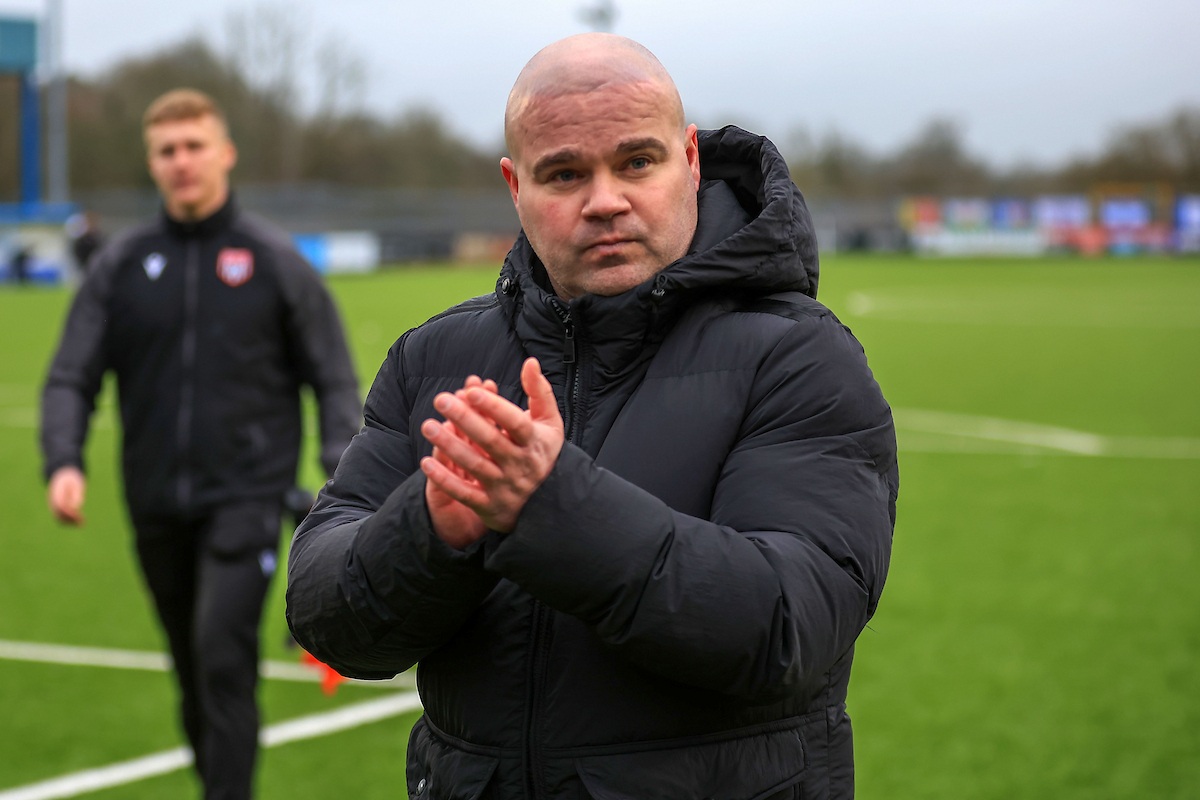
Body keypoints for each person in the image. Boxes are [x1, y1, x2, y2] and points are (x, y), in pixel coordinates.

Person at [287, 33, 898, 800]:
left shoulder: (801, 357)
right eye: (565, 173)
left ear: (690, 162)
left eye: (637, 162)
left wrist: (552, 509)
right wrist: (433, 528)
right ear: (515, 187)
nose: (604, 200)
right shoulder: (433, 359)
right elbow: (327, 616)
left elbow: (785, 628)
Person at [40, 89, 360, 800]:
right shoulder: (122, 265)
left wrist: (342, 475)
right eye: (167, 150)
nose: (181, 161)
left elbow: (334, 377)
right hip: (153, 500)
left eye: (194, 146)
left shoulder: (274, 261)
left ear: (225, 153)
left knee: (222, 657)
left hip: (248, 496)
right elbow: (71, 374)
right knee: (191, 671)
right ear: (151, 162)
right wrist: (63, 459)